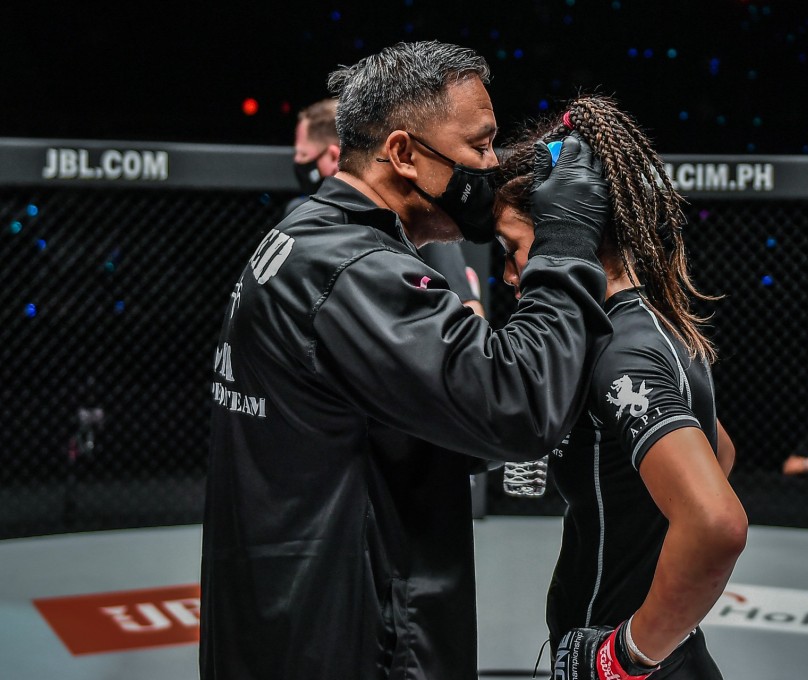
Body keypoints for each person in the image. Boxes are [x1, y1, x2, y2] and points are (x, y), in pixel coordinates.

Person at [200, 41, 613, 679]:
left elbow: (421, 419)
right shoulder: (352, 271)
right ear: (403, 154)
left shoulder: (311, 240)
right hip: (352, 644)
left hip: (294, 627)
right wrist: (564, 243)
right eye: (478, 145)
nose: (491, 162)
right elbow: (518, 406)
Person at [494, 96, 747, 680]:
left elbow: (716, 523)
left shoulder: (622, 353)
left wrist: (625, 655)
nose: (509, 274)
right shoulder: (642, 323)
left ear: (570, 228)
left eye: (514, 250)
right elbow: (719, 452)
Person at [291, 97, 486, 316]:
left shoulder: (417, 219)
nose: (297, 161)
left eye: (303, 154)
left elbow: (470, 311)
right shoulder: (301, 217)